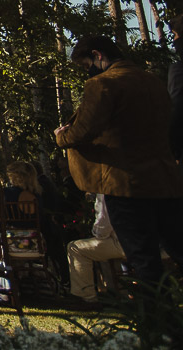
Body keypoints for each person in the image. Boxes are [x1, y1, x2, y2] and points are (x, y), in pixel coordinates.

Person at [56, 36, 183, 284]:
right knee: (177, 247)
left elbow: (84, 129)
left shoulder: (103, 84)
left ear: (98, 55)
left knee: (143, 257)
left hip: (125, 182)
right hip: (165, 180)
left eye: (86, 65)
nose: (87, 71)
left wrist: (62, 137)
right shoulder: (152, 81)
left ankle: (158, 318)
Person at [66, 194, 123, 309]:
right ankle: (117, 292)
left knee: (75, 247)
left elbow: (103, 226)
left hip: (125, 242)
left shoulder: (106, 191)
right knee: (101, 248)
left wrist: (95, 233)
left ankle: (86, 297)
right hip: (151, 241)